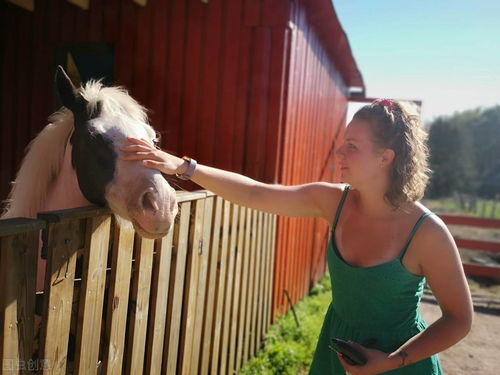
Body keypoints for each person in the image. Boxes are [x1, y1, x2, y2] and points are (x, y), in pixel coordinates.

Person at [120, 99, 473, 374]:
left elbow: (460, 319)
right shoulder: (332, 201)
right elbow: (257, 193)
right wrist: (183, 166)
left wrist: (392, 361)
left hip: (402, 364)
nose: (339, 152)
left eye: (352, 145)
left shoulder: (427, 233)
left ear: (385, 157)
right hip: (336, 354)